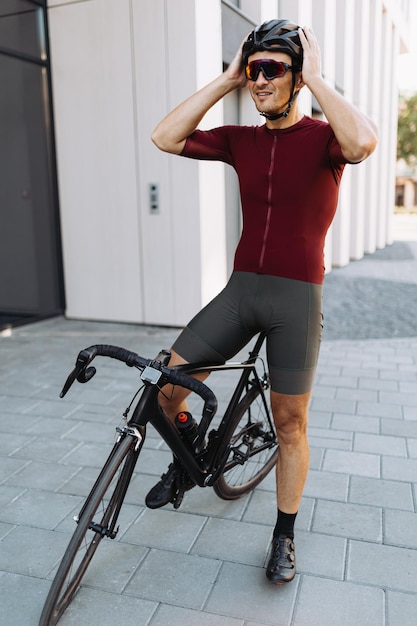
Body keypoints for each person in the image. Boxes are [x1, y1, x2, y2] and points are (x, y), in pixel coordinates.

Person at [146, 19, 378, 584]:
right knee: (160, 390)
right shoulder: (240, 139)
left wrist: (318, 78)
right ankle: (188, 457)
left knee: (290, 421)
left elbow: (364, 142)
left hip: (295, 297)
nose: (261, 80)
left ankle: (284, 536)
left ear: (296, 78)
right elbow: (165, 137)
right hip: (240, 291)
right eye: (254, 69)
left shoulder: (326, 139)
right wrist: (225, 81)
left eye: (273, 68)